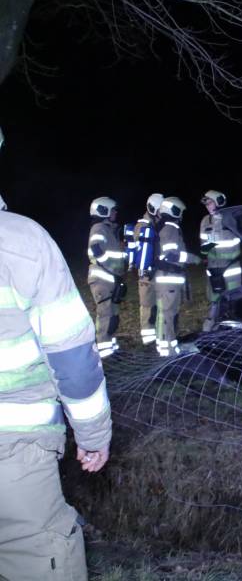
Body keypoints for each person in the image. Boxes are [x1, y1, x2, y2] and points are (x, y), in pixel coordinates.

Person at [0, 191, 112, 580]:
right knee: (37, 551)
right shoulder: (20, 240)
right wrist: (93, 434)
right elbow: (72, 356)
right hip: (14, 450)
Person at [154, 197, 200, 356]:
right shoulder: (170, 228)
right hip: (168, 279)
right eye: (180, 211)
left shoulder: (165, 226)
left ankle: (169, 347)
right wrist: (192, 258)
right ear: (174, 210)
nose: (181, 215)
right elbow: (171, 255)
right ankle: (168, 351)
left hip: (168, 279)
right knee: (167, 315)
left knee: (168, 314)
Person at [87, 197, 127, 358]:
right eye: (113, 210)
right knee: (105, 315)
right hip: (102, 279)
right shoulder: (99, 228)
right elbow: (95, 248)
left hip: (111, 279)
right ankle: (105, 353)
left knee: (113, 316)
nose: (115, 212)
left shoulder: (109, 229)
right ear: (103, 211)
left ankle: (112, 348)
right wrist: (110, 268)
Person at [199, 190, 242, 331]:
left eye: (210, 203)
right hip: (213, 268)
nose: (208, 206)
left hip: (231, 267)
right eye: (206, 204)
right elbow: (205, 245)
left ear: (218, 202)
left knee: (234, 300)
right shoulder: (205, 221)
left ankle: (236, 330)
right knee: (215, 300)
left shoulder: (230, 218)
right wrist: (206, 256)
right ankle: (210, 330)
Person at [132, 193, 164, 346]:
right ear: (153, 209)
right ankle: (148, 341)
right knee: (147, 306)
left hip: (155, 273)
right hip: (146, 275)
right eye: (160, 210)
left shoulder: (155, 225)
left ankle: (156, 336)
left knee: (156, 306)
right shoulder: (144, 226)